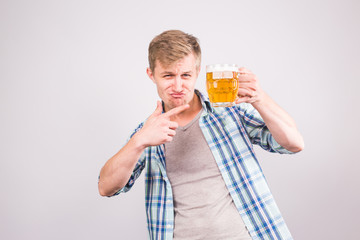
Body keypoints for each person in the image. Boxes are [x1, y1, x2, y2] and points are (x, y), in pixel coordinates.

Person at [98, 30, 304, 240]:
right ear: (151, 75)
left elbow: (294, 143)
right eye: (168, 75)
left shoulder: (230, 111)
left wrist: (259, 98)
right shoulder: (148, 132)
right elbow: (106, 187)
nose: (178, 86)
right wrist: (138, 142)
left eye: (185, 75)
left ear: (197, 73)